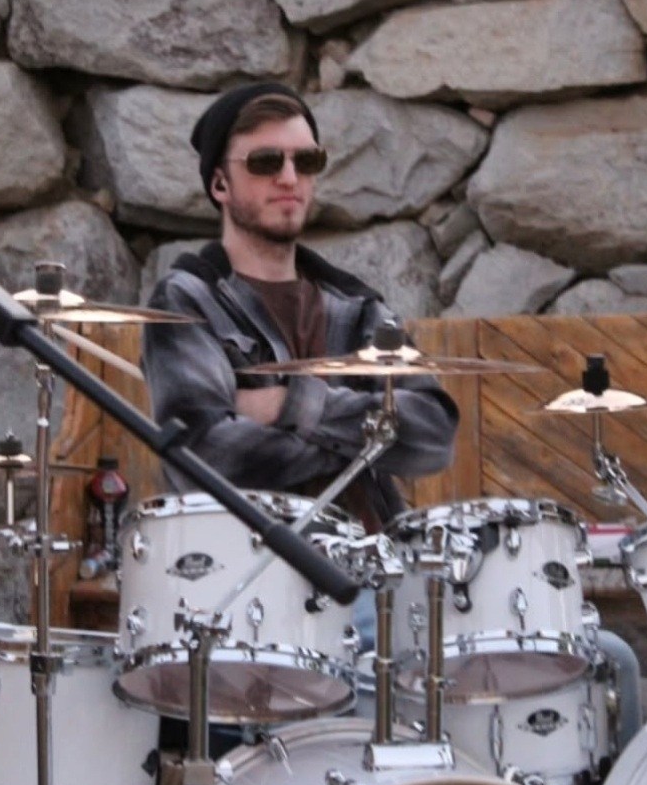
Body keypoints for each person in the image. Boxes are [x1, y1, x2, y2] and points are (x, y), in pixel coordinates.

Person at [141, 81, 459, 531]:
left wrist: (291, 404)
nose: (289, 178)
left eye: (306, 161)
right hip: (253, 560)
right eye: (265, 162)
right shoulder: (189, 300)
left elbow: (434, 433)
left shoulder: (358, 307)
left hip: (370, 557)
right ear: (219, 183)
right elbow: (205, 457)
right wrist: (366, 440)